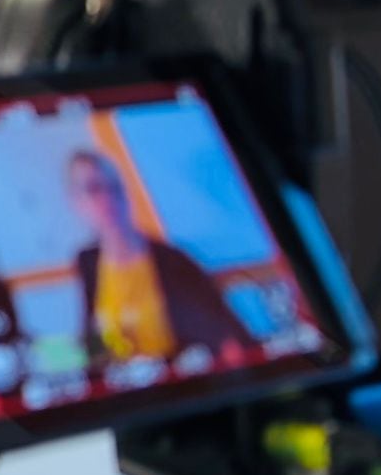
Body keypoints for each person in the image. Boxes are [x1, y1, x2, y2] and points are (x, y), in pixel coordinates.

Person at [66, 150, 250, 364]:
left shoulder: (173, 260)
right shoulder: (87, 261)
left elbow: (225, 335)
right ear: (76, 202)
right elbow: (93, 344)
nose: (107, 198)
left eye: (114, 188)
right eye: (93, 189)